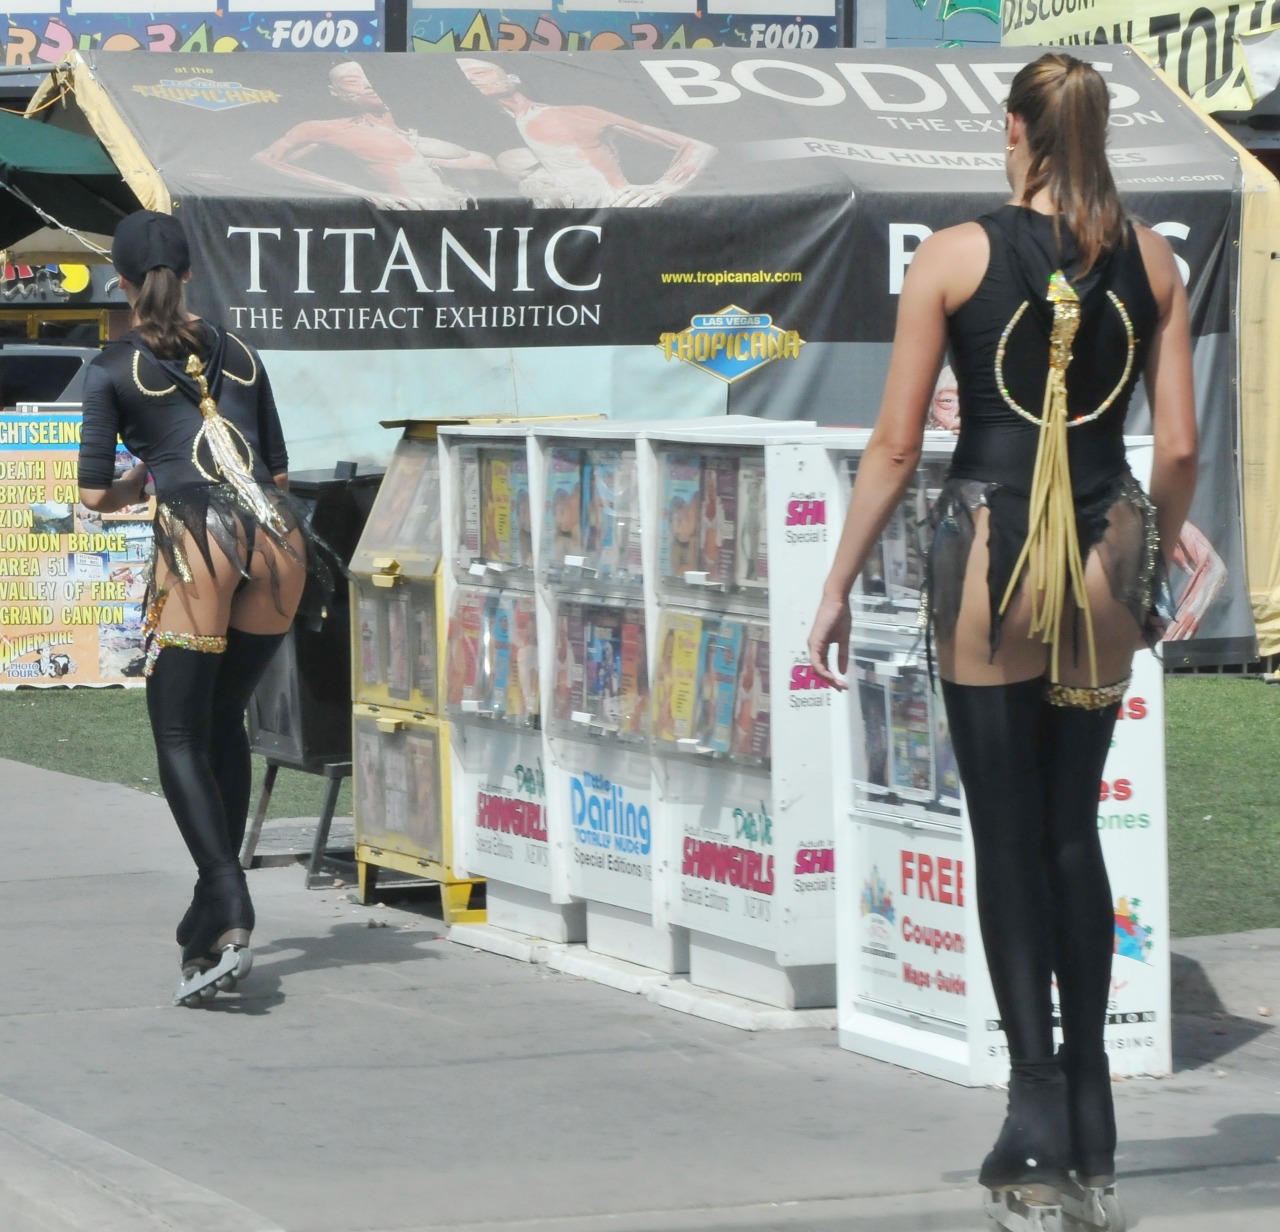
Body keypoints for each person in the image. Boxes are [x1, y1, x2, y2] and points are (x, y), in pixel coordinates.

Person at [807, 55, 1197, 1232]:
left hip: (987, 539)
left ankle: (1031, 1110)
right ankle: (1090, 1109)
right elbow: (1173, 446)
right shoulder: (1155, 258)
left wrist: (833, 588)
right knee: (1072, 827)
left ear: (1019, 135)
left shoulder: (955, 253)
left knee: (1004, 832)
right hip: (1105, 542)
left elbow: (889, 448)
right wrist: (1155, 552)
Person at [78, 211, 334, 1007]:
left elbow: (94, 493)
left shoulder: (111, 365)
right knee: (222, 721)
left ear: (121, 282)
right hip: (283, 544)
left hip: (202, 544)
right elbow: (279, 475)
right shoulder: (244, 354)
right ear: (190, 274)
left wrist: (145, 480)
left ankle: (226, 894)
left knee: (179, 731)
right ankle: (210, 918)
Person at [457, 58, 715, 208]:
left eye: (480, 73)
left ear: (512, 78)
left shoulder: (569, 114)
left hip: (617, 215)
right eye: (467, 79)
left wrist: (663, 187)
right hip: (565, 237)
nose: (474, 80)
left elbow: (699, 147)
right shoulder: (493, 135)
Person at [254, 62, 495, 210]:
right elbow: (263, 161)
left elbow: (484, 166)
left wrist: (444, 164)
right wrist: (356, 193)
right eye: (353, 82)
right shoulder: (328, 129)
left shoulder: (418, 127)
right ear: (335, 92)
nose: (368, 85)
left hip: (462, 211)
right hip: (409, 219)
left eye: (370, 78)